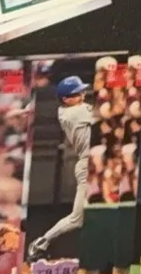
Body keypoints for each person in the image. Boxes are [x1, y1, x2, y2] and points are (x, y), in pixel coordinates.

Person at [28, 75, 99, 259]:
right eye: (77, 93)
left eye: (82, 91)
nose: (82, 95)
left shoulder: (74, 108)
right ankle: (41, 243)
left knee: (98, 214)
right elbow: (105, 112)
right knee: (77, 219)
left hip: (95, 163)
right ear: (66, 99)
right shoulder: (74, 112)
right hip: (88, 166)